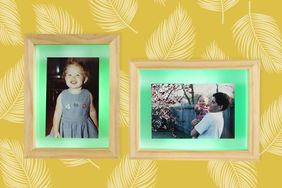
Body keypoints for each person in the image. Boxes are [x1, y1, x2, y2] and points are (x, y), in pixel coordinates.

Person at [52, 59, 98, 138]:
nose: (73, 77)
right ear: (65, 78)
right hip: (66, 128)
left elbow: (92, 111)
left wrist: (96, 126)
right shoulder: (62, 96)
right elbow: (57, 114)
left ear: (85, 79)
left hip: (84, 127)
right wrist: (56, 131)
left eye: (77, 75)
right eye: (69, 75)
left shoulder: (88, 94)